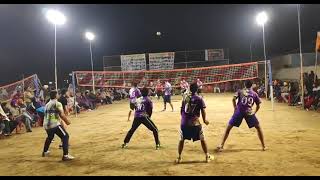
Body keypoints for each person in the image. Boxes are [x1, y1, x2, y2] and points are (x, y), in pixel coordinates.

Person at [217, 80, 266, 151]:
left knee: (228, 128)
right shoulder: (254, 94)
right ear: (251, 86)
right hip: (249, 112)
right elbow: (258, 105)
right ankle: (263, 146)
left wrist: (235, 108)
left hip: (239, 111)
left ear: (244, 85)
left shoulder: (240, 91)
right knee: (258, 128)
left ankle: (221, 145)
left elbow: (233, 99)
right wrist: (254, 112)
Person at [175, 83, 212, 164]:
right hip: (195, 123)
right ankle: (207, 156)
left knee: (181, 140)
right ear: (197, 89)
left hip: (184, 123)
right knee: (202, 139)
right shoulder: (199, 98)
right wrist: (205, 120)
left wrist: (184, 118)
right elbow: (202, 110)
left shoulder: (185, 98)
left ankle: (179, 157)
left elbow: (181, 110)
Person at [42, 90, 74, 161]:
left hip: (46, 125)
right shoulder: (57, 103)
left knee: (50, 137)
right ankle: (65, 155)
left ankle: (45, 151)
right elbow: (61, 114)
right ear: (56, 96)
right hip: (54, 124)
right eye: (57, 94)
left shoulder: (47, 104)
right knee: (65, 136)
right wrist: (67, 121)